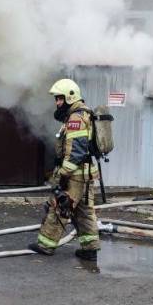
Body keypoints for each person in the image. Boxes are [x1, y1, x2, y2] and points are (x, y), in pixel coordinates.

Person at [28, 78, 101, 261]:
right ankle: (90, 249)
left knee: (61, 206)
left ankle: (46, 244)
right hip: (84, 174)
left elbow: (75, 151)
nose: (57, 102)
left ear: (70, 97)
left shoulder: (76, 118)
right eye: (56, 99)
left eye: (60, 98)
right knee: (84, 212)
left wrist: (62, 174)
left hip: (74, 175)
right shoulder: (80, 115)